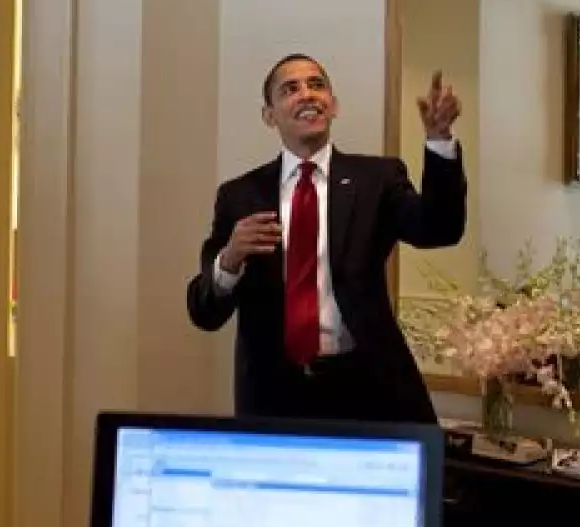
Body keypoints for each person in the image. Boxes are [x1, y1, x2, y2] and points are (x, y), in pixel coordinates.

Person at [186, 54, 466, 423]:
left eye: (317, 85)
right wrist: (231, 258)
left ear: (333, 105)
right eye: (290, 89)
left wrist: (439, 142)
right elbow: (204, 311)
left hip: (367, 390)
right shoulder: (240, 195)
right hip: (274, 397)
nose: (307, 95)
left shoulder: (376, 179)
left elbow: (439, 229)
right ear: (269, 115)